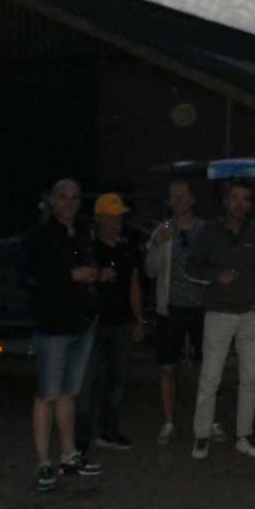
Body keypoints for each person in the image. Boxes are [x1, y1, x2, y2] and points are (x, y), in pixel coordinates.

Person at [22, 178, 103, 490]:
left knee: (69, 392)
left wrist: (93, 303)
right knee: (47, 394)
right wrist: (69, 275)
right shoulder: (39, 236)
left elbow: (91, 269)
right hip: (52, 327)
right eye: (62, 197)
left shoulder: (82, 234)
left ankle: (69, 456)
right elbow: (28, 276)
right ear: (52, 200)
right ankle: (43, 462)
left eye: (74, 197)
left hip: (81, 325)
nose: (68, 202)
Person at [186, 179, 255, 460]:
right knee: (210, 378)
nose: (239, 203)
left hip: (250, 315)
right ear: (225, 201)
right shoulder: (210, 232)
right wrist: (214, 276)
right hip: (219, 314)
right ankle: (202, 434)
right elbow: (191, 268)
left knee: (249, 378)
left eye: (245, 198)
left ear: (250, 203)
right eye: (234, 197)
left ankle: (244, 435)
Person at [145, 177, 222, 446]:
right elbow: (150, 271)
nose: (179, 200)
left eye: (183, 195)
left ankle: (210, 420)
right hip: (171, 308)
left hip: (202, 308)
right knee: (168, 367)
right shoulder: (162, 231)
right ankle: (169, 423)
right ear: (169, 202)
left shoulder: (205, 230)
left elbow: (217, 265)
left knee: (208, 367)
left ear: (192, 199)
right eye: (174, 196)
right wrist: (156, 245)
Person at [74, 193, 144, 451]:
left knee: (118, 379)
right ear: (98, 218)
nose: (116, 222)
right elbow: (73, 279)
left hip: (121, 323)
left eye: (119, 217)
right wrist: (97, 275)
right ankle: (80, 439)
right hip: (91, 325)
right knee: (85, 382)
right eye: (111, 217)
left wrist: (139, 320)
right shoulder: (86, 246)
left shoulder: (127, 247)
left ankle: (108, 430)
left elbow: (134, 284)